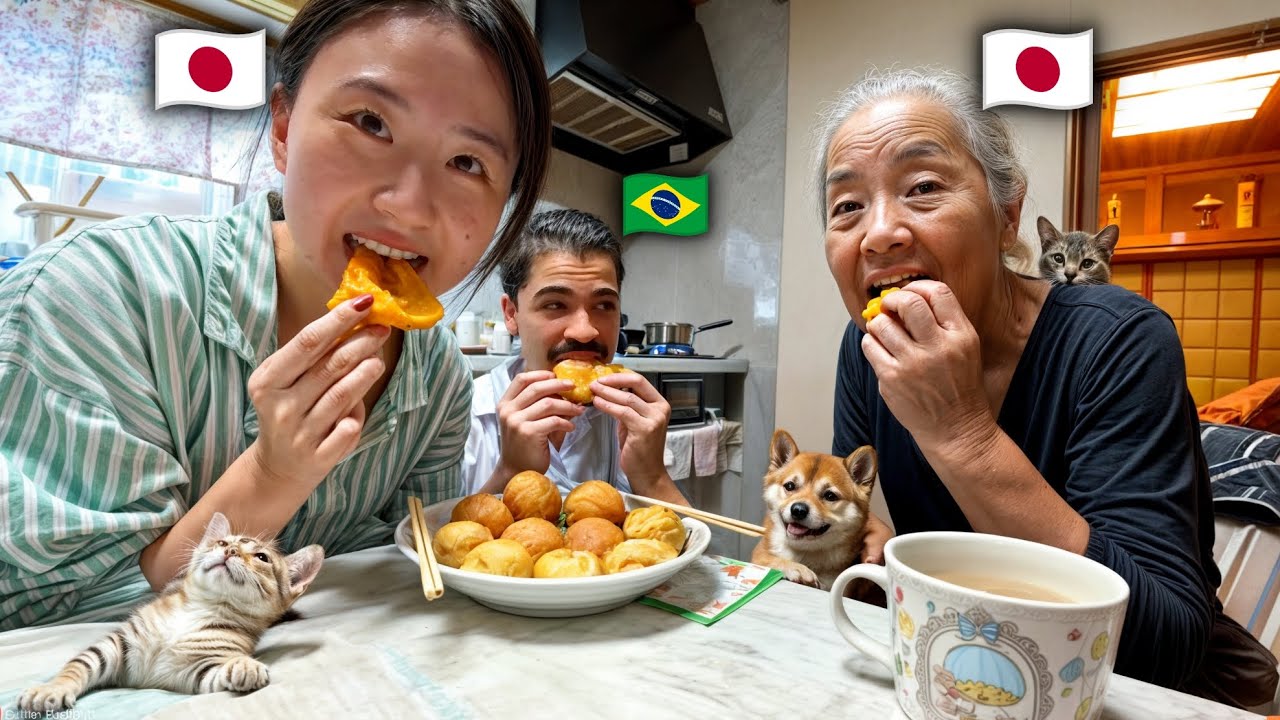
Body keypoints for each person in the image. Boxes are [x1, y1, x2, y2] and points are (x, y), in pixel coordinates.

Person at [0, 0, 551, 630]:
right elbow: (41, 626)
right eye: (370, 122)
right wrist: (272, 473)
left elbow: (404, 576)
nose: (409, 206)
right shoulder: (99, 297)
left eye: (467, 163)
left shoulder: (438, 380)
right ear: (284, 129)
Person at [819, 67, 1278, 707]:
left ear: (1007, 218)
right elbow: (860, 521)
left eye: (923, 187)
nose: (878, 233)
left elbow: (1163, 646)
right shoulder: (864, 351)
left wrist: (963, 434)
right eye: (847, 206)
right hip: (957, 671)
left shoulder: (1121, 341)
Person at [462, 209, 688, 505]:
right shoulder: (463, 415)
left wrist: (652, 476)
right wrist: (511, 471)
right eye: (555, 304)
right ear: (511, 314)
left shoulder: (628, 418)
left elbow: (698, 547)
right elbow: (437, 543)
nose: (584, 331)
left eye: (604, 305)